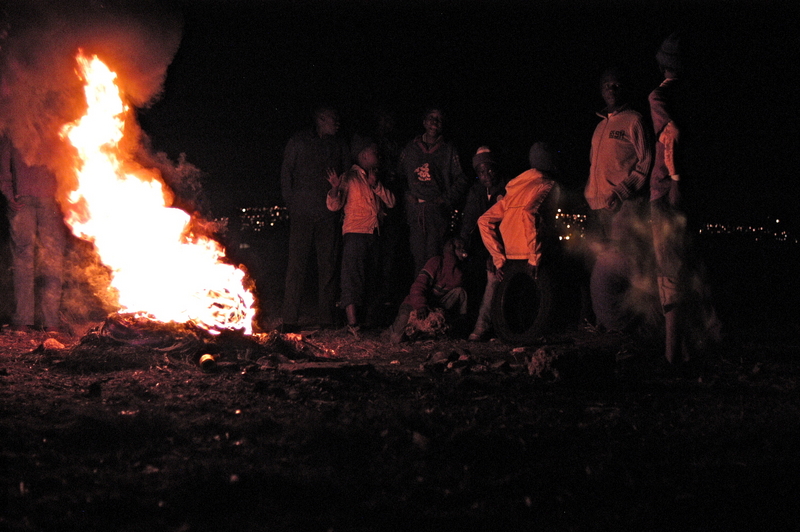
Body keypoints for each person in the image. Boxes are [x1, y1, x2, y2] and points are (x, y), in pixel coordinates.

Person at [584, 66, 654, 332]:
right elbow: (595, 165)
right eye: (606, 85)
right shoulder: (599, 126)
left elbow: (646, 161)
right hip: (598, 206)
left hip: (625, 205)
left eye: (616, 85)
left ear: (624, 88)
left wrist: (623, 190)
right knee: (602, 266)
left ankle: (643, 321)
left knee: (628, 264)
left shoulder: (634, 120)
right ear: (601, 90)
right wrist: (590, 193)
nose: (611, 89)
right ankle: (606, 319)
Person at [279, 106, 349, 332]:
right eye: (332, 118)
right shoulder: (299, 141)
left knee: (328, 266)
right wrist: (291, 204)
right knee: (296, 266)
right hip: (302, 214)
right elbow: (286, 173)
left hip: (328, 214)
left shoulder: (339, 145)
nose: (337, 123)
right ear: (320, 119)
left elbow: (346, 175)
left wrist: (339, 205)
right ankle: (290, 319)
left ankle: (327, 318)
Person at [649, 32, 693, 365]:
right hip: (684, 189)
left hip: (666, 191)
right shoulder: (689, 94)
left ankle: (671, 354)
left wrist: (675, 179)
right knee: (682, 265)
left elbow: (671, 135)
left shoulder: (659, 96)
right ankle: (686, 348)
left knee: (668, 269)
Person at [326, 136, 395, 335]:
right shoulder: (349, 177)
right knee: (352, 277)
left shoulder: (375, 178)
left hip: (374, 233)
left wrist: (376, 185)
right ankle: (353, 323)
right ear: (364, 155)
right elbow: (334, 206)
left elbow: (391, 202)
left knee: (371, 278)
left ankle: (369, 322)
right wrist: (335, 188)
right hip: (355, 233)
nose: (377, 155)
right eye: (374, 152)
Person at [0, 136, 68, 334]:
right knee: (48, 259)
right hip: (37, 200)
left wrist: (9, 192)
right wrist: (9, 193)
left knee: (27, 260)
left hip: (35, 199)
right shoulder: (53, 126)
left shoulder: (18, 125)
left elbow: (4, 165)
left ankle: (28, 322)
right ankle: (47, 323)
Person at [398, 107, 470, 275]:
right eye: (431, 117)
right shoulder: (411, 148)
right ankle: (418, 290)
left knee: (434, 256)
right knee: (417, 256)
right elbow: (399, 175)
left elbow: (462, 179)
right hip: (415, 211)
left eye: (439, 119)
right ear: (424, 122)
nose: (434, 122)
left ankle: (434, 289)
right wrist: (407, 194)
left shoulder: (448, 149)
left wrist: (444, 199)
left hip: (437, 212)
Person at [478, 142, 560, 285]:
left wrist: (499, 259)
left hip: (509, 259)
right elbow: (529, 212)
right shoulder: (548, 185)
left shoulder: (515, 189)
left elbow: (483, 221)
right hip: (533, 260)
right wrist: (534, 257)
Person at [459, 146, 506, 342]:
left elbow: (507, 227)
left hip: (502, 246)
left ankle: (487, 327)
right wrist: (462, 243)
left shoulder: (507, 189)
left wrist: (494, 255)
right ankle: (467, 324)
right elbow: (469, 221)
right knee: (470, 276)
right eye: (481, 172)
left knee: (494, 277)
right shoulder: (476, 191)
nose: (486, 175)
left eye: (489, 170)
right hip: (481, 246)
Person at [386, 237, 468, 344]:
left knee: (460, 292)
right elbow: (418, 286)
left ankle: (458, 327)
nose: (463, 251)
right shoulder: (436, 262)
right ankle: (391, 330)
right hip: (414, 303)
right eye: (459, 247)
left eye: (464, 248)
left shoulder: (458, 273)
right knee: (396, 339)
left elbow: (454, 293)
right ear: (450, 248)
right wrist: (420, 305)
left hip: (434, 305)